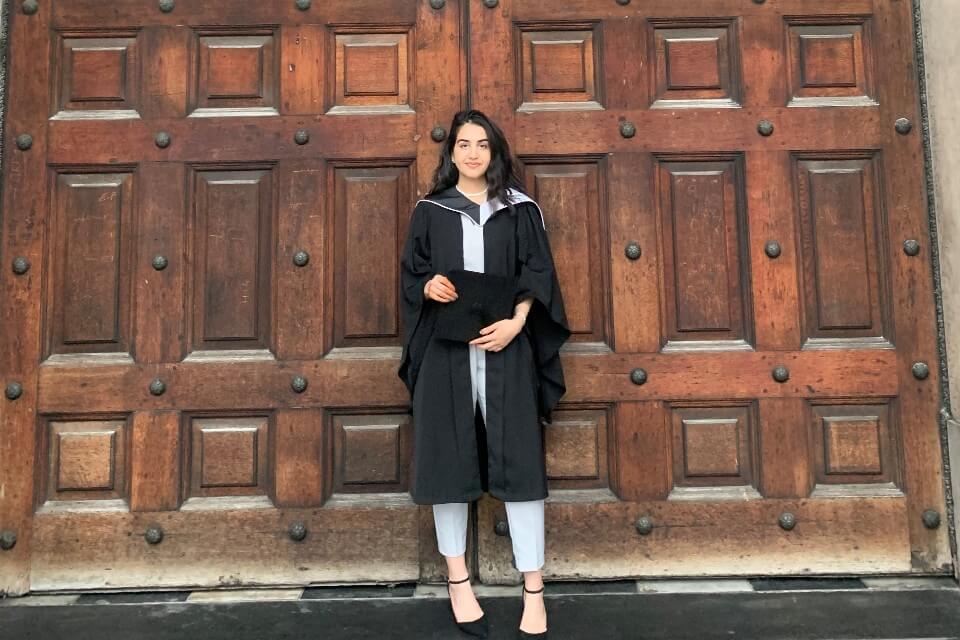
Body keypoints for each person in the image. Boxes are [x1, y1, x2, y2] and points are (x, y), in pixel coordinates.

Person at [399, 109, 570, 639]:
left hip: (506, 350)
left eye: (482, 145)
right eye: (463, 144)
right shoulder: (430, 211)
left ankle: (533, 588)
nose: (472, 153)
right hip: (447, 354)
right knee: (449, 465)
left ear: (495, 153)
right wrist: (428, 286)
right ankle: (458, 580)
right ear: (451, 152)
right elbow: (412, 273)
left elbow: (537, 275)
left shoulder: (520, 211)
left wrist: (518, 324)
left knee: (521, 468)